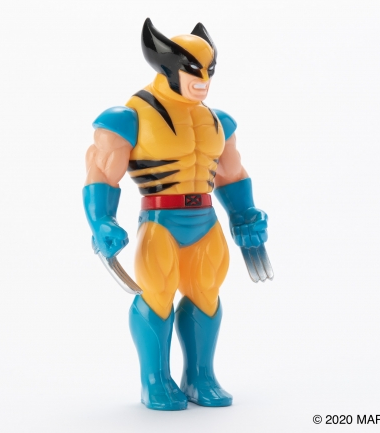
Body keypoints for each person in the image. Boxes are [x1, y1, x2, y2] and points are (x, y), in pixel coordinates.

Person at [82, 18, 271, 410]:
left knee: (206, 294)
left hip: (205, 221)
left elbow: (231, 173)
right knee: (157, 295)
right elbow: (100, 172)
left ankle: (201, 377)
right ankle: (154, 381)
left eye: (208, 70)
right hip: (160, 223)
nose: (203, 79)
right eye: (193, 70)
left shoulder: (218, 122)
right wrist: (101, 220)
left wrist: (245, 214)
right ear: (167, 67)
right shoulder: (129, 118)